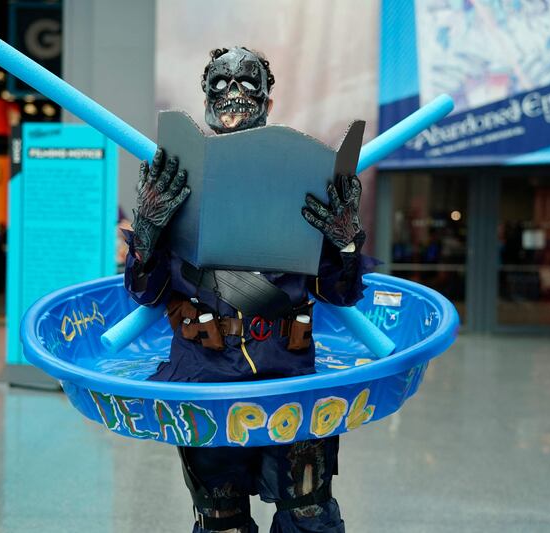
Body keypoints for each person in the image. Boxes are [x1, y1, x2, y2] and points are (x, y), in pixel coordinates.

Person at [124, 47, 367, 533]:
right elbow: (144, 293)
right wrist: (148, 232)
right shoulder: (172, 179)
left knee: (311, 515)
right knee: (222, 522)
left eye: (246, 82)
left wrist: (344, 242)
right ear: (205, 95)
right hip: (204, 379)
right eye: (220, 82)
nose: (233, 93)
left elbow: (341, 293)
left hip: (291, 379)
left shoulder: (304, 177)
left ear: (268, 100)